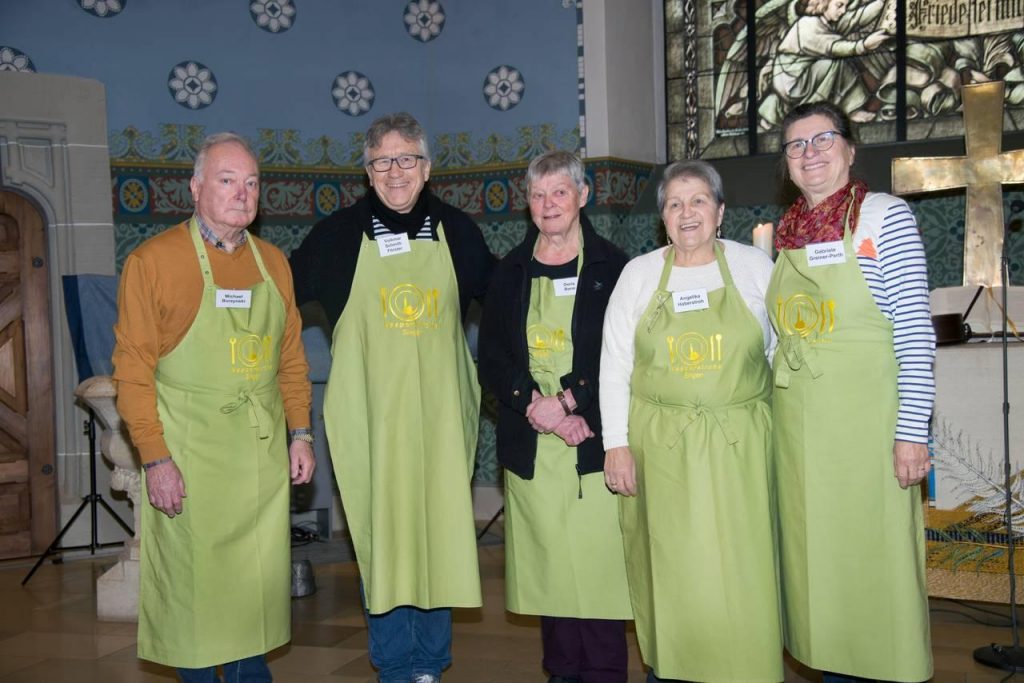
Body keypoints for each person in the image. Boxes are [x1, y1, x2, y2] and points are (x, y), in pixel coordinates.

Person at [289, 112, 494, 683]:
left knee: (440, 533)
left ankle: (429, 664)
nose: (395, 171)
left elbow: (504, 303)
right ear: (367, 171)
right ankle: (393, 665)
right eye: (382, 161)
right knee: (383, 539)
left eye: (407, 159)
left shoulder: (460, 231)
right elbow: (277, 298)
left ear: (427, 169)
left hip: (439, 420)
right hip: (371, 420)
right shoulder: (335, 236)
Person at [112, 132, 316, 681]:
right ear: (196, 187)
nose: (242, 193)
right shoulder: (153, 262)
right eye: (227, 180)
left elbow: (291, 360)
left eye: (252, 183)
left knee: (253, 597)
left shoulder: (274, 262)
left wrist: (300, 433)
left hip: (260, 461)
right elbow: (131, 374)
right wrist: (155, 459)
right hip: (190, 462)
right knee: (197, 605)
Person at [768, 101, 935, 682]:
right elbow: (776, 338)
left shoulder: (884, 217)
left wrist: (912, 434)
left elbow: (915, 332)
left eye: (822, 139)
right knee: (819, 572)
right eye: (796, 145)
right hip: (800, 436)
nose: (810, 152)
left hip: (868, 433)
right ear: (786, 164)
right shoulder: (783, 233)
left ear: (850, 148)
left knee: (874, 570)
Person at [601, 160, 781, 682]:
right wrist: (617, 446)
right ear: (662, 217)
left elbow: (777, 355)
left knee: (741, 571)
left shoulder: (754, 268)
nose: (687, 213)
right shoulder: (638, 275)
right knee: (673, 571)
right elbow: (614, 364)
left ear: (720, 211)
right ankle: (673, 672)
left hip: (739, 448)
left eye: (699, 200)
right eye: (675, 203)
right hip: (661, 450)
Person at [479, 150, 632, 683]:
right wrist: (536, 407)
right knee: (552, 579)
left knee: (598, 575)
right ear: (527, 203)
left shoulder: (615, 267)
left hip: (592, 443)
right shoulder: (509, 272)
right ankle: (563, 674)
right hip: (533, 449)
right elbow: (493, 359)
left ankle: (607, 674)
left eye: (559, 192)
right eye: (538, 194)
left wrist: (568, 403)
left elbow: (618, 351)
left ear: (583, 196)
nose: (548, 204)